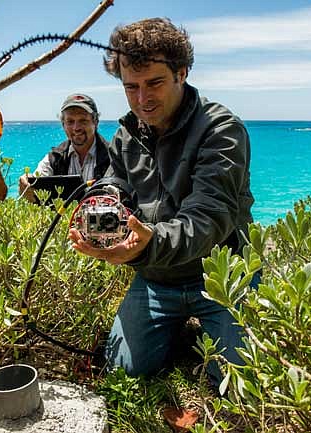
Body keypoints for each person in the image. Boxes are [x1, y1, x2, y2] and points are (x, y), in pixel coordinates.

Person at [68, 18, 258, 385]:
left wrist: (145, 245)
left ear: (181, 72)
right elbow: (115, 182)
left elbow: (207, 218)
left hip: (222, 276)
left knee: (234, 383)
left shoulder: (221, 130)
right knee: (123, 372)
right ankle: (179, 332)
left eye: (154, 83)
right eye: (131, 87)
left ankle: (208, 330)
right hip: (157, 278)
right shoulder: (125, 134)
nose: (142, 99)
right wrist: (105, 208)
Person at [18, 94, 110, 202]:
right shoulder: (55, 157)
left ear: (95, 122)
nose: (76, 128)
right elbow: (36, 182)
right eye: (70, 122)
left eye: (83, 121)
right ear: (63, 125)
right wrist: (26, 184)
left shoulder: (113, 155)